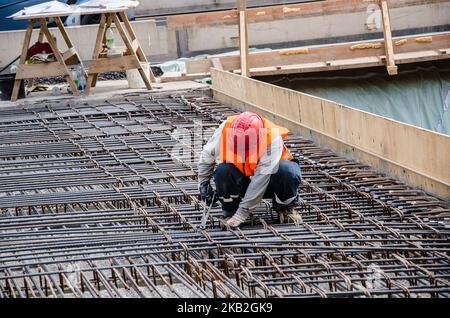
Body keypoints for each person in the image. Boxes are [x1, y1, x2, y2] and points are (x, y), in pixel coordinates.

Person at [198, 111, 302, 228]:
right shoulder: (226, 128)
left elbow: (260, 180)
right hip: (242, 183)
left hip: (270, 184)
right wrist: (203, 182)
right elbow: (207, 154)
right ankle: (230, 211)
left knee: (287, 172)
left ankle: (285, 208)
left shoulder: (272, 138)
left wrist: (241, 215)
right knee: (223, 171)